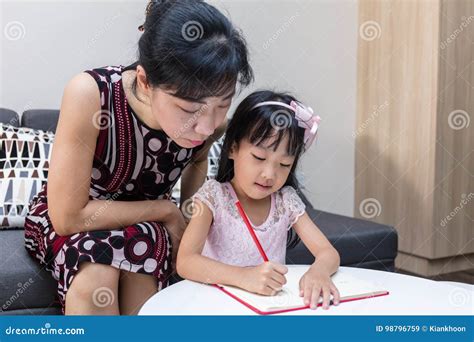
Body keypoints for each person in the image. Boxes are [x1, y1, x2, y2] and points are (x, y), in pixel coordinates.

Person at [24, 0, 253, 315]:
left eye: (223, 105)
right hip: (77, 218)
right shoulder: (91, 94)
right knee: (96, 277)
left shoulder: (209, 127)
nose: (207, 126)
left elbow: (198, 159)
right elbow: (67, 217)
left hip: (143, 225)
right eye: (188, 110)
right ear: (146, 81)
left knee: (140, 268)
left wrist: (189, 220)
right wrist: (165, 211)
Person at [177, 90, 341, 310]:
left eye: (284, 164)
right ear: (233, 148)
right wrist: (243, 277)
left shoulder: (285, 201)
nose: (269, 174)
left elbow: (328, 252)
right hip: (217, 308)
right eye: (259, 158)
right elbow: (186, 262)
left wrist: (318, 272)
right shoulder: (213, 197)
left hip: (269, 308)